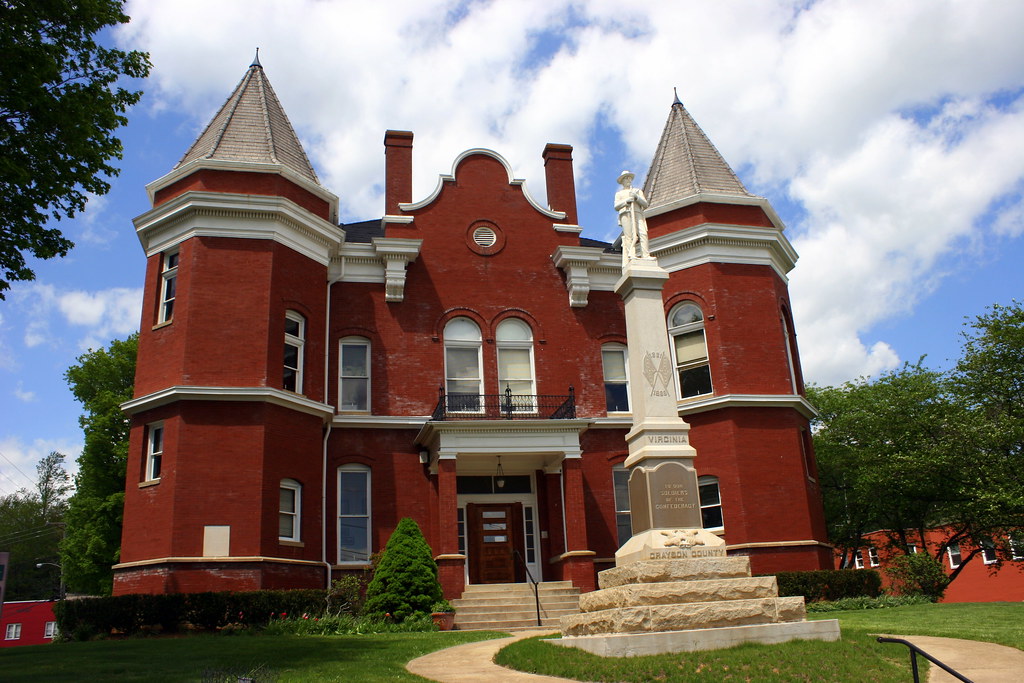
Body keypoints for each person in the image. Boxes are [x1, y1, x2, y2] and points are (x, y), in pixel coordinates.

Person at [615, 171, 651, 264]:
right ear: (622, 181)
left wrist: (636, 197)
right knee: (629, 236)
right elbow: (616, 206)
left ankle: (645, 255)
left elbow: (645, 204)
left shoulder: (637, 191)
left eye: (629, 178)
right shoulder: (619, 194)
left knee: (643, 233)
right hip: (626, 214)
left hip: (637, 213)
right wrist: (626, 201)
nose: (628, 180)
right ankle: (632, 255)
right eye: (626, 178)